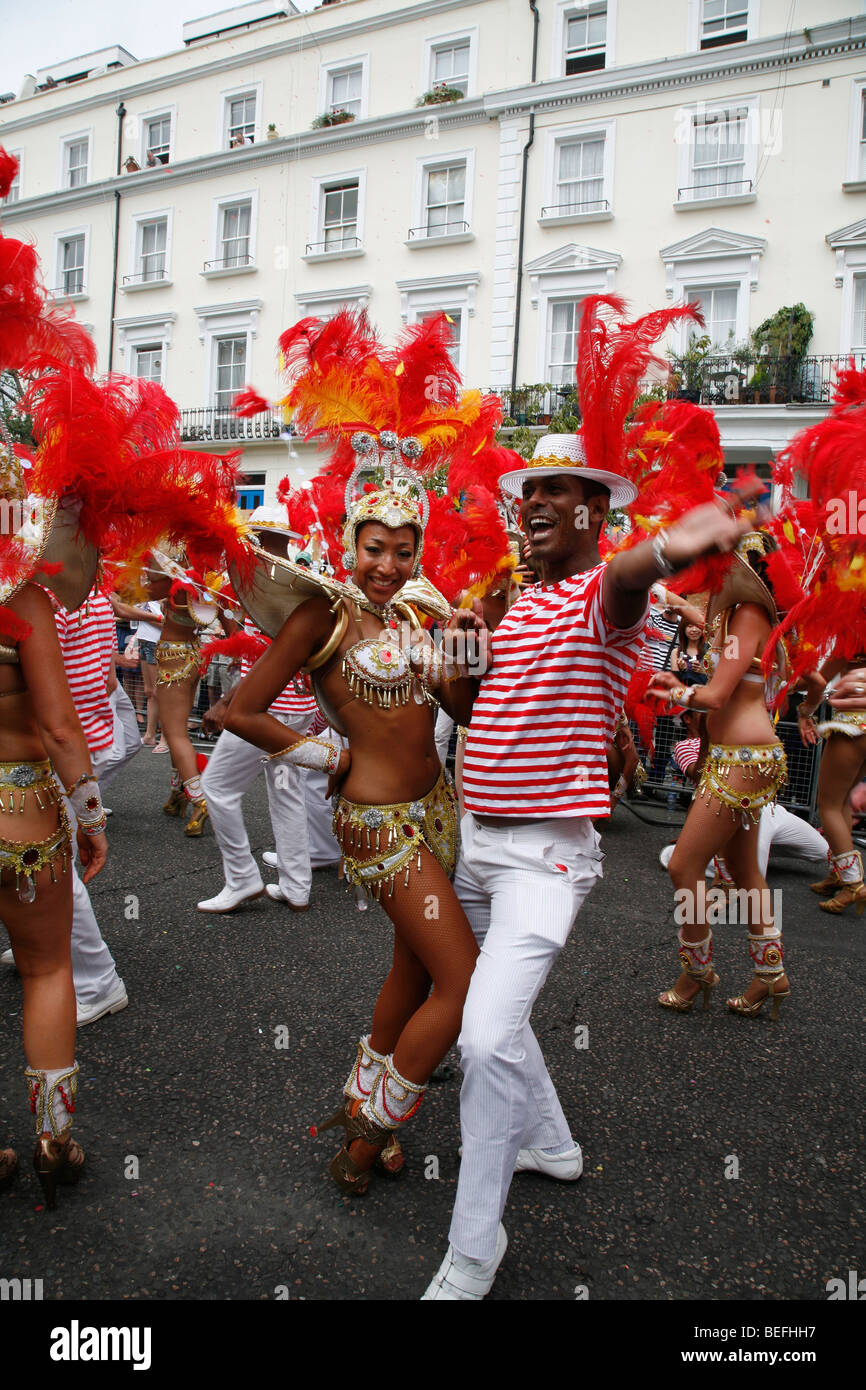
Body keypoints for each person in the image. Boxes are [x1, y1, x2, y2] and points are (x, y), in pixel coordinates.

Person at [421, 430, 754, 1300]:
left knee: (486, 1037)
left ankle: (473, 1248)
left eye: (555, 490)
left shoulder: (597, 601)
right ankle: (554, 1145)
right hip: (476, 845)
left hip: (544, 857)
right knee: (494, 1012)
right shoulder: (518, 605)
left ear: (593, 511)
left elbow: (629, 576)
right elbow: (469, 707)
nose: (532, 503)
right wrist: (454, 658)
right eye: (527, 489)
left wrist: (679, 541)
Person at [227, 433, 485, 1195]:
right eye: (375, 549)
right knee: (463, 982)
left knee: (414, 965)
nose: (388, 566)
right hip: (378, 826)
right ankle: (372, 1131)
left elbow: (459, 710)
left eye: (404, 552)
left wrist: (464, 659)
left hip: (438, 811)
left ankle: (356, 1096)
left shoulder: (411, 618)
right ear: (349, 546)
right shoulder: (322, 617)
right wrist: (329, 758)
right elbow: (241, 710)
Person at [0, 439, 108, 1206]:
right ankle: (52, 1142)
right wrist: (92, 815)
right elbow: (64, 730)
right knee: (46, 969)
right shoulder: (22, 600)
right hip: (23, 816)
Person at [649, 531, 790, 1021]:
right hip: (735, 756)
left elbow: (714, 697)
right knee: (745, 871)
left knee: (683, 867)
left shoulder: (749, 616)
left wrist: (674, 691)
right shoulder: (729, 617)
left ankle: (697, 970)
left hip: (744, 761)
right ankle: (770, 975)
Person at [147, 556, 223, 835]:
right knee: (176, 730)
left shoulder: (174, 582)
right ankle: (177, 795)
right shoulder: (209, 581)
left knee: (174, 734)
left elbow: (130, 593)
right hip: (193, 654)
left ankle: (199, 800)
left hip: (173, 657)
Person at [797, 649, 866, 914]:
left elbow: (818, 680)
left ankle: (853, 885)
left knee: (827, 804)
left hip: (853, 726)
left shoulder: (854, 635)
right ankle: (839, 872)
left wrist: (805, 710)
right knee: (841, 802)